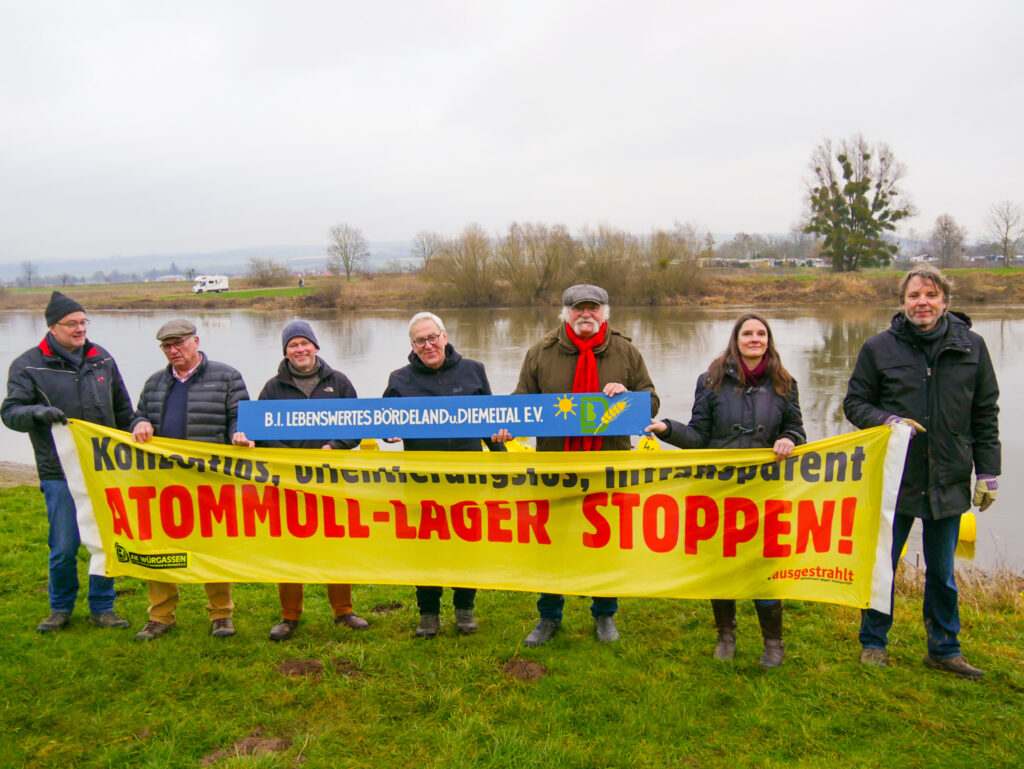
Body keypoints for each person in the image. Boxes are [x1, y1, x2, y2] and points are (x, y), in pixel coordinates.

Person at [844, 265, 999, 679]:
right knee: (883, 566)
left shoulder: (973, 347)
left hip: (949, 476)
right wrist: (888, 420)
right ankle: (873, 643)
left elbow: (985, 412)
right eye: (914, 296)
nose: (922, 303)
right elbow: (855, 403)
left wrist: (988, 471)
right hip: (893, 478)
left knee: (943, 572)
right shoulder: (878, 348)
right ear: (902, 303)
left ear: (945, 301)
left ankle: (945, 649)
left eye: (930, 295)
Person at [646, 312, 805, 668]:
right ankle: (725, 636)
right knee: (722, 567)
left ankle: (773, 643)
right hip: (719, 492)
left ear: (768, 340)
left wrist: (789, 438)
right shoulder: (710, 380)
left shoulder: (785, 382)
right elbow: (698, 436)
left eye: (761, 333)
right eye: (747, 333)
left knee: (764, 567)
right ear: (736, 339)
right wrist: (667, 428)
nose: (754, 339)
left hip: (764, 492)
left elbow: (797, 429)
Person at [511, 284, 659, 646]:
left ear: (604, 312)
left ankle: (605, 614)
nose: (586, 315)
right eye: (578, 308)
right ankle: (549, 615)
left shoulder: (625, 351)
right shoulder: (541, 352)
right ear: (565, 313)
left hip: (607, 465)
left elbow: (651, 402)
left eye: (593, 308)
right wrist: (506, 425)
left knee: (605, 541)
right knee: (552, 542)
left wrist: (628, 398)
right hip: (555, 466)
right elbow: (519, 404)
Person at [2, 292, 134, 633]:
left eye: (83, 322)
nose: (80, 329)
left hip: (102, 469)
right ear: (52, 327)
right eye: (72, 323)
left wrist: (139, 430)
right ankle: (60, 607)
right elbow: (10, 413)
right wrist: (38, 413)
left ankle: (103, 608)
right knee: (63, 546)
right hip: (58, 472)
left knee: (103, 542)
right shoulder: (28, 365)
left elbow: (123, 410)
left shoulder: (102, 358)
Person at [383, 311, 507, 639]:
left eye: (432, 337)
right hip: (422, 482)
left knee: (467, 547)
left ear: (445, 337)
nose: (428, 345)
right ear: (412, 345)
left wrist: (501, 456)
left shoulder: (474, 371)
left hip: (468, 480)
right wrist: (387, 433)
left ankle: (465, 608)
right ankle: (428, 613)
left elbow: (490, 420)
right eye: (420, 340)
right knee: (426, 550)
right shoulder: (399, 379)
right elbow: (381, 421)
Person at [129, 319, 252, 641]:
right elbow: (139, 414)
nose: (173, 351)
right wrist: (139, 422)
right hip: (164, 481)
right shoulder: (154, 383)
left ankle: (221, 614)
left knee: (213, 547)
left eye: (179, 344)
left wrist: (239, 434)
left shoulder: (227, 376)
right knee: (159, 548)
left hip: (210, 480)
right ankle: (160, 615)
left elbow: (239, 416)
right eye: (166, 346)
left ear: (195, 342)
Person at [255, 321, 370, 641]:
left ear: (316, 347)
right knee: (290, 547)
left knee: (336, 544)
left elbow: (356, 426)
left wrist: (335, 446)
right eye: (293, 345)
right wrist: (288, 457)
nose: (300, 349)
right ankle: (289, 616)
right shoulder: (272, 389)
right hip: (287, 482)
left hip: (331, 480)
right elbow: (260, 432)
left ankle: (343, 611)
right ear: (285, 352)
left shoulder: (339, 382)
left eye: (304, 343)